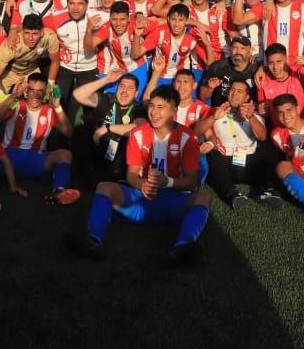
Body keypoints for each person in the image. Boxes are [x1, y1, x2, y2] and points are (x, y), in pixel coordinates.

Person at [66, 85, 212, 264]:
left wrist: (168, 182)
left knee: (203, 197)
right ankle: (93, 240)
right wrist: (141, 184)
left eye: (161, 107)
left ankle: (182, 248)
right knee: (105, 186)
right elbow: (132, 175)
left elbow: (191, 182)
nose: (154, 112)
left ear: (174, 110)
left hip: (171, 200)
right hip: (140, 199)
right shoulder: (137, 134)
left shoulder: (187, 137)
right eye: (152, 106)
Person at [0, 73, 80, 205]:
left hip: (36, 160)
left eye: (40, 91)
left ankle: (59, 192)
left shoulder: (49, 110)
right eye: (31, 90)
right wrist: (13, 96)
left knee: (65, 155)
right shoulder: (15, 105)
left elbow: (69, 133)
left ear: (45, 93)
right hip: (9, 157)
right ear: (26, 91)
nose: (35, 95)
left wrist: (58, 107)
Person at [194, 79, 283, 209]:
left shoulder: (254, 115)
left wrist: (251, 117)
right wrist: (214, 118)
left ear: (247, 97)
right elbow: (196, 131)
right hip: (227, 165)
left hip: (250, 165)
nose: (234, 94)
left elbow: (262, 136)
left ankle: (268, 191)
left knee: (270, 151)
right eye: (232, 90)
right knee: (213, 154)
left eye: (239, 91)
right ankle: (232, 194)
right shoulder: (216, 111)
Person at [73, 69, 147, 184]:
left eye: (130, 88)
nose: (124, 91)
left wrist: (107, 128)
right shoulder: (107, 99)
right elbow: (78, 95)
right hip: (98, 147)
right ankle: (82, 177)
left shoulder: (138, 108)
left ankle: (109, 179)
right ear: (117, 88)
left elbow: (140, 127)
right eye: (122, 86)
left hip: (120, 154)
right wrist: (106, 80)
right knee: (80, 133)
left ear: (136, 93)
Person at [44, 0, 100, 123]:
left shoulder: (96, 17)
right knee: (58, 103)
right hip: (64, 67)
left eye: (80, 4)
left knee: (88, 112)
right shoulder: (56, 17)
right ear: (67, 4)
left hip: (89, 68)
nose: (76, 8)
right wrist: (53, 39)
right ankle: (58, 141)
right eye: (72, 3)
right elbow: (33, 27)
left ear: (87, 5)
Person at [132, 2, 211, 86]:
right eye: (173, 19)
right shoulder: (159, 32)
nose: (176, 24)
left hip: (180, 79)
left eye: (181, 20)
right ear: (168, 19)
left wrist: (207, 44)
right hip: (159, 76)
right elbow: (135, 54)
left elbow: (210, 64)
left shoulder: (193, 36)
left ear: (187, 21)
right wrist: (137, 36)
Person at [0, 14, 60, 95]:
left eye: (35, 33)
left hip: (32, 71)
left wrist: (50, 86)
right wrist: (1, 97)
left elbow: (55, 61)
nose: (30, 38)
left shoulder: (49, 37)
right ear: (21, 32)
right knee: (1, 101)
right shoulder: (12, 45)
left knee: (45, 97)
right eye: (27, 33)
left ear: (42, 33)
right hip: (9, 72)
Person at [89, 1, 151, 94]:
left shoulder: (138, 24)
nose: (118, 24)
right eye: (114, 19)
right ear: (110, 18)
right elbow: (91, 44)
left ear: (128, 18)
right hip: (118, 69)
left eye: (122, 19)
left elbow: (158, 25)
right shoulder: (107, 27)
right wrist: (88, 29)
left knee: (136, 101)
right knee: (110, 100)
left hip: (138, 68)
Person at [257, 43, 304, 129]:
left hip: (303, 132)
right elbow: (264, 113)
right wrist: (262, 111)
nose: (275, 67)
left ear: (286, 59)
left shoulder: (298, 73)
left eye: (279, 62)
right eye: (271, 63)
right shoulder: (261, 80)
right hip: (278, 135)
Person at [201, 35, 260, 107]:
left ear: (250, 51)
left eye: (242, 48)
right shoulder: (217, 67)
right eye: (235, 47)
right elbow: (202, 96)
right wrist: (210, 88)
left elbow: (260, 103)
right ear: (230, 49)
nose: (238, 51)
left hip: (245, 114)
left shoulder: (256, 72)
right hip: (220, 113)